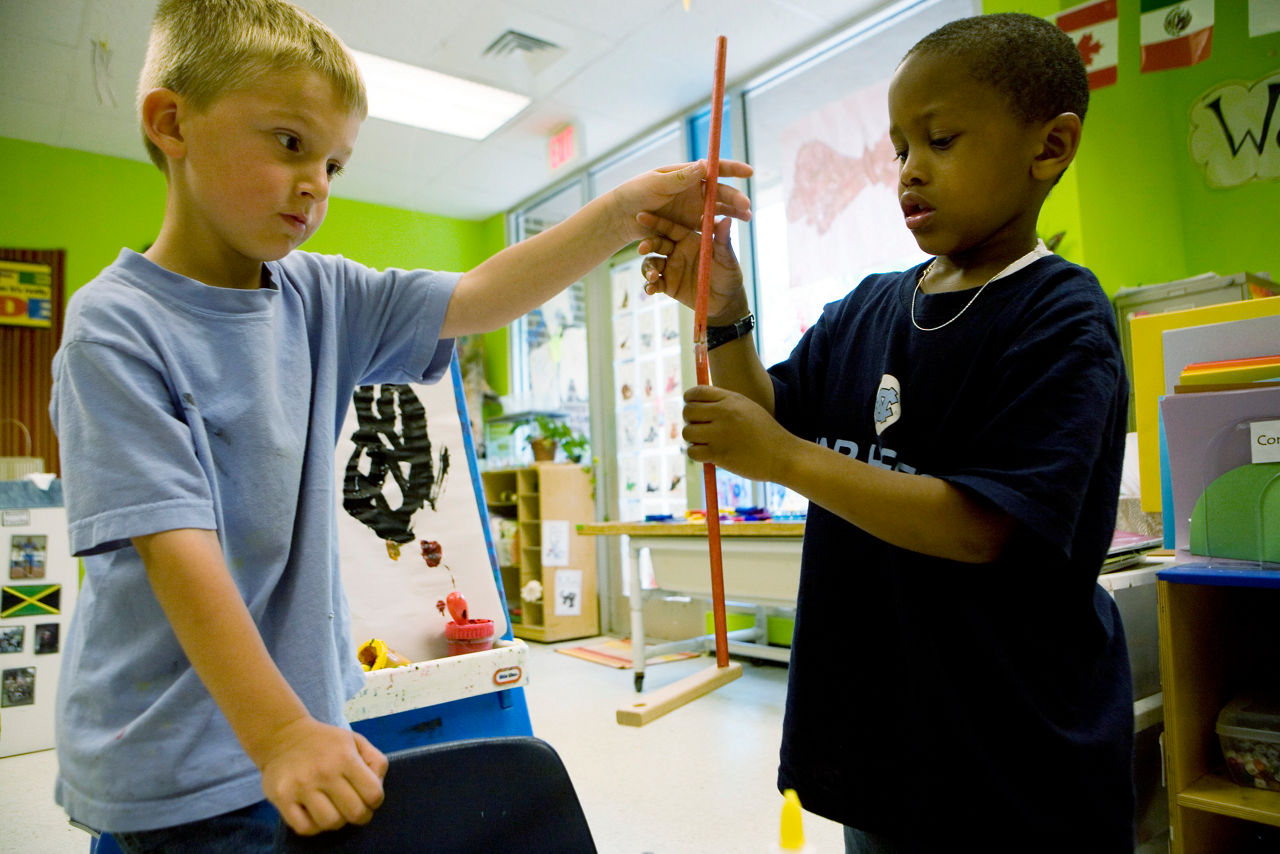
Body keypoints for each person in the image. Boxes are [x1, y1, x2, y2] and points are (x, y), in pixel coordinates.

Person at [48, 0, 752, 849]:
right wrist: (278, 735)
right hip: (175, 763)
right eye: (289, 143)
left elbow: (479, 297)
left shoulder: (319, 295)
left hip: (299, 742)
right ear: (173, 123)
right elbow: (177, 551)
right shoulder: (115, 326)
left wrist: (619, 214)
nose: (316, 184)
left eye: (336, 164)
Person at [639, 13, 1133, 853]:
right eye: (900, 147)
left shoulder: (1061, 317)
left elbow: (981, 527)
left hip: (1011, 757)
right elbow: (768, 412)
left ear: (1048, 148)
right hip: (886, 739)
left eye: (940, 140)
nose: (910, 171)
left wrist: (784, 458)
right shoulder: (870, 305)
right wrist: (724, 315)